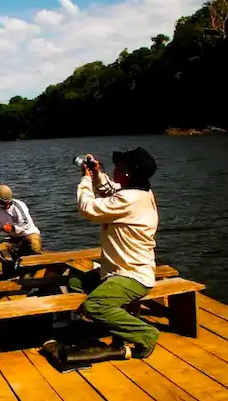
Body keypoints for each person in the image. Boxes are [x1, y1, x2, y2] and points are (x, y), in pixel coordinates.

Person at [42, 146, 160, 371]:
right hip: (117, 270)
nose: (115, 169)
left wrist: (85, 180)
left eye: (119, 167)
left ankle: (145, 333)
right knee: (74, 283)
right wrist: (97, 174)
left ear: (128, 173)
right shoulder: (138, 192)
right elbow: (110, 190)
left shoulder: (131, 198)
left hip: (132, 275)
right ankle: (106, 318)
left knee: (95, 306)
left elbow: (89, 209)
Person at [0, 184, 42, 263]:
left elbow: (26, 224)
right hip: (14, 238)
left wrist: (13, 227)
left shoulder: (18, 206)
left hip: (29, 235)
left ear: (1, 199)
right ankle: (9, 264)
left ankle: (35, 264)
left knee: (34, 245)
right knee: (0, 246)